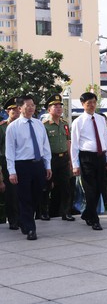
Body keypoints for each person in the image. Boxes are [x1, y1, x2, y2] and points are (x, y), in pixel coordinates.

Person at [5, 95, 52, 240]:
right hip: (22, 165)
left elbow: (45, 146)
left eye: (33, 105)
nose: (31, 108)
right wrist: (11, 171)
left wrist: (47, 165)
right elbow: (10, 151)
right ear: (20, 108)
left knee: (36, 196)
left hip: (38, 165)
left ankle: (23, 220)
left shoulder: (39, 124)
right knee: (25, 197)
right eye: (28, 106)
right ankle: (31, 228)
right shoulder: (13, 127)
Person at [71, 92, 107, 230]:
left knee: (100, 188)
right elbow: (74, 145)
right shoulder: (78, 122)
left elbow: (106, 139)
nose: (92, 105)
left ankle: (87, 213)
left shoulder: (101, 119)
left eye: (94, 102)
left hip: (100, 156)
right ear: (83, 105)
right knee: (90, 189)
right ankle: (94, 219)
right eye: (89, 103)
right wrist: (75, 164)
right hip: (86, 158)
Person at [42, 94, 74, 221]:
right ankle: (44, 212)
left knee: (66, 187)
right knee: (46, 187)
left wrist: (71, 160)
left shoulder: (64, 124)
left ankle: (66, 212)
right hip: (50, 160)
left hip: (63, 159)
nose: (59, 108)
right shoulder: (44, 125)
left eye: (60, 105)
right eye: (55, 106)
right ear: (49, 109)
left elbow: (68, 142)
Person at [1, 96, 21, 230]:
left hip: (22, 161)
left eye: (17, 109)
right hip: (6, 162)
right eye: (12, 110)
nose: (16, 112)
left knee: (22, 192)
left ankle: (22, 217)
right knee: (11, 193)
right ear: (8, 111)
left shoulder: (24, 125)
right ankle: (13, 219)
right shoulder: (2, 127)